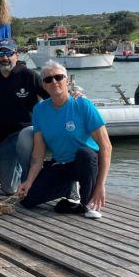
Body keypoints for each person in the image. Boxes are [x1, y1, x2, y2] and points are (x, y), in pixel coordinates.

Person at [17, 59, 112, 219]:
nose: (54, 82)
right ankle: (70, 192)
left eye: (58, 77)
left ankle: (87, 203)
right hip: (62, 164)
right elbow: (38, 154)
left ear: (66, 80)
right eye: (48, 79)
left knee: (85, 154)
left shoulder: (83, 104)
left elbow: (106, 146)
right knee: (28, 201)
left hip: (87, 163)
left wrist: (101, 185)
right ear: (44, 85)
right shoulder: (40, 110)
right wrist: (29, 181)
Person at [0, 38, 48, 194]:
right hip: (2, 138)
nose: (4, 57)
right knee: (8, 188)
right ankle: (22, 174)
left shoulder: (30, 76)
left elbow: (51, 97)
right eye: (0, 53)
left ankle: (34, 180)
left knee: (24, 138)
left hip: (25, 133)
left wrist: (71, 96)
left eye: (8, 53)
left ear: (16, 55)